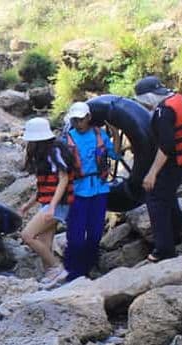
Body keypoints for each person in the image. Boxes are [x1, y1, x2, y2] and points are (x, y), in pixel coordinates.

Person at [133, 76, 182, 262]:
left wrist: (152, 173)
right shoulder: (177, 99)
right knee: (167, 192)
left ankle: (164, 249)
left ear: (148, 97)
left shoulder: (164, 111)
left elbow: (167, 145)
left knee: (155, 195)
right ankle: (178, 231)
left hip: (179, 161)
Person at [61, 101, 122, 282]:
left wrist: (116, 134)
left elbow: (115, 155)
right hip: (78, 191)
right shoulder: (67, 139)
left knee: (95, 233)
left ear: (88, 118)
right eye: (75, 120)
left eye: (81, 119)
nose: (78, 123)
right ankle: (72, 271)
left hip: (99, 189)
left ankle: (89, 265)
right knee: (76, 234)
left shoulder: (99, 134)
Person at [17, 118, 75, 286]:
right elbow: (43, 186)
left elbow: (63, 180)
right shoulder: (43, 154)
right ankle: (51, 277)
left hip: (58, 205)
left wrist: (52, 207)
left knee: (27, 235)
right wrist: (28, 205)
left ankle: (58, 267)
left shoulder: (55, 151)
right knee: (44, 243)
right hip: (49, 203)